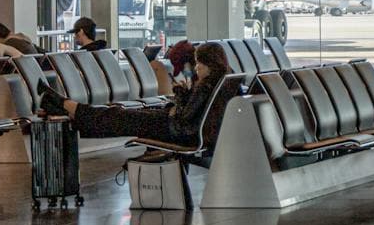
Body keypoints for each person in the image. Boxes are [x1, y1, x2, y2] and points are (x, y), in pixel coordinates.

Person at [38, 42, 233, 147]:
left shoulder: (207, 85)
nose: (197, 67)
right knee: (117, 115)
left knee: (118, 116)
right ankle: (67, 109)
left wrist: (180, 92)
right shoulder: (224, 80)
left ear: (210, 63)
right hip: (174, 125)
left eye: (200, 63)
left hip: (173, 128)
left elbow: (184, 116)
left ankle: (65, 105)